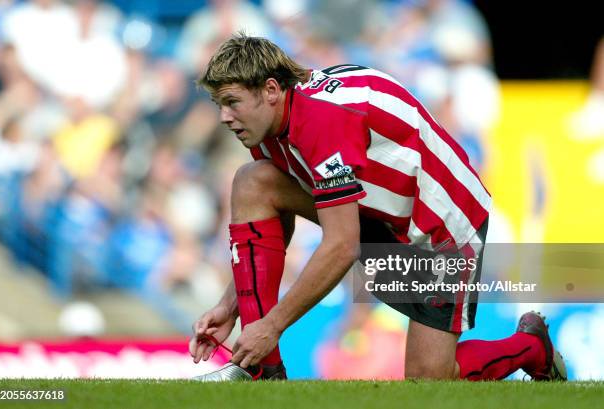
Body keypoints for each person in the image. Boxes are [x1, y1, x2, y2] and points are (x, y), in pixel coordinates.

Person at [188, 33, 567, 381]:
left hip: (443, 228)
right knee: (253, 181)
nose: (224, 117)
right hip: (378, 215)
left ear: (270, 90)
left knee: (430, 379)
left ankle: (533, 347)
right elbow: (274, 223)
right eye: (219, 104)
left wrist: (272, 326)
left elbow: (342, 245)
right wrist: (230, 306)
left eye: (232, 102)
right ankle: (260, 371)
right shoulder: (268, 123)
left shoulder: (322, 119)